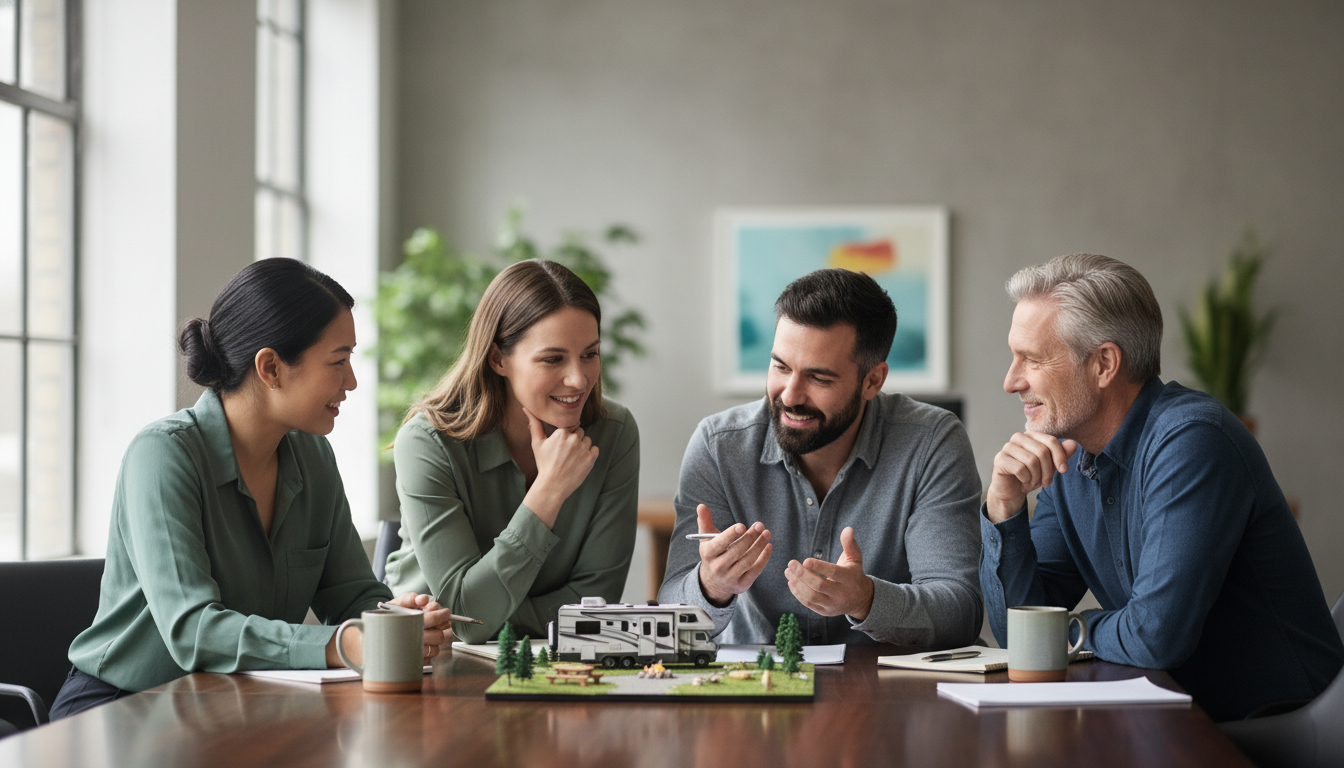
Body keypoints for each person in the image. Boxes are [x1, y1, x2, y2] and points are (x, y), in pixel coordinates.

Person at [51, 259, 452, 719]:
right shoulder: (162, 455)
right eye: (338, 361)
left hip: (234, 708)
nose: (352, 381)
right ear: (271, 367)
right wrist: (347, 644)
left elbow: (350, 596)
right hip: (123, 708)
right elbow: (194, 631)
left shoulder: (313, 457)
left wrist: (392, 620)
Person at [980, 253, 1344, 722]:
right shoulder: (1069, 458)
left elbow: (1155, 636)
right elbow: (1019, 635)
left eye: (1030, 358)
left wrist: (1064, 633)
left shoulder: (1193, 440)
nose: (1011, 381)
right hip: (1179, 721)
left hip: (1280, 728)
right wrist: (1004, 505)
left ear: (1104, 364)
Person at [659, 269, 982, 647]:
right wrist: (712, 585)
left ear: (873, 381)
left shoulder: (932, 443)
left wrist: (867, 600)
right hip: (756, 689)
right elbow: (670, 617)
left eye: (819, 379)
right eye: (780, 366)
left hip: (889, 692)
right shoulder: (718, 446)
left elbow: (961, 611)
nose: (791, 395)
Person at [384, 259, 639, 644]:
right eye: (553, 358)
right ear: (498, 359)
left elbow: (595, 602)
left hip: (547, 661)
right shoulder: (426, 442)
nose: (579, 378)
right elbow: (466, 610)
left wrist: (484, 617)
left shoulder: (614, 433)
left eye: (590, 353)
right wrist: (548, 492)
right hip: (429, 657)